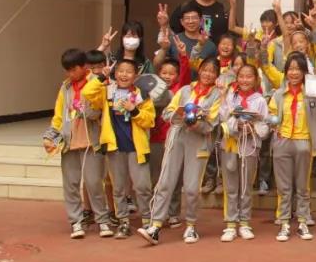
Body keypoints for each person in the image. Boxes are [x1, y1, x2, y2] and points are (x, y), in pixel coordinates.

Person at [138, 59, 222, 246]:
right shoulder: (185, 90)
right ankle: (155, 226)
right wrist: (180, 115)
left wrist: (196, 122)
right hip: (177, 137)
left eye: (212, 71)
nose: (207, 74)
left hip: (198, 141)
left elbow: (211, 123)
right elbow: (167, 113)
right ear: (199, 70)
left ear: (217, 75)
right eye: (205, 70)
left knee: (191, 187)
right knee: (165, 182)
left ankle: (191, 225)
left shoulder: (217, 95)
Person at [82, 58, 156, 240]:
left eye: (128, 71)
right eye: (121, 71)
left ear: (135, 76)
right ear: (115, 73)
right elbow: (87, 92)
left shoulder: (142, 94)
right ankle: (123, 222)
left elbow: (150, 120)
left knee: (142, 186)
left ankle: (147, 220)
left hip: (137, 147)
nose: (124, 74)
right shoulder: (107, 91)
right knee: (119, 187)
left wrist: (134, 110)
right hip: (115, 147)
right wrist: (102, 77)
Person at [43, 49, 112, 239]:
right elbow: (58, 116)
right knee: (71, 184)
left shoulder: (97, 82)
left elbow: (97, 112)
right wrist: (50, 136)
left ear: (84, 67)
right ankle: (76, 221)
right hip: (69, 141)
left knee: (94, 183)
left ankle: (102, 220)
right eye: (67, 70)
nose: (70, 74)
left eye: (73, 69)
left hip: (91, 141)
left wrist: (84, 108)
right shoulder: (65, 87)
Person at [267, 53, 316, 242]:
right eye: (290, 69)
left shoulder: (312, 93)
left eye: (298, 69)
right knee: (284, 187)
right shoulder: (278, 94)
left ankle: (302, 221)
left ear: (305, 72)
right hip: (282, 141)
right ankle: (284, 222)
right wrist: (272, 124)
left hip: (303, 142)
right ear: (285, 72)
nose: (294, 73)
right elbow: (271, 115)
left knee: (302, 186)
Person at [218, 64, 270, 242]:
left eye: (249, 76)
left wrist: (253, 128)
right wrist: (236, 125)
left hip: (249, 147)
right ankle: (231, 224)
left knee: (246, 186)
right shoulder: (231, 97)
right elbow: (223, 118)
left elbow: (265, 126)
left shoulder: (260, 100)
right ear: (237, 78)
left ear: (255, 80)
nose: (245, 80)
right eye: (241, 76)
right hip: (231, 145)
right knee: (231, 186)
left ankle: (245, 222)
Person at [148, 56, 187, 228]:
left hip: (175, 139)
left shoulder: (181, 91)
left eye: (171, 74)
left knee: (175, 178)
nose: (167, 76)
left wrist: (183, 56)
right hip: (155, 139)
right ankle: (156, 212)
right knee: (156, 177)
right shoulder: (151, 92)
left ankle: (173, 213)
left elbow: (186, 71)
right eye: (164, 73)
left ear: (178, 76)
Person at [155, 2, 215, 69]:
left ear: (201, 21)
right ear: (182, 22)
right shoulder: (174, 40)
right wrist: (163, 49)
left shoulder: (210, 45)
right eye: (187, 18)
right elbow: (157, 65)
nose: (191, 21)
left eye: (194, 18)